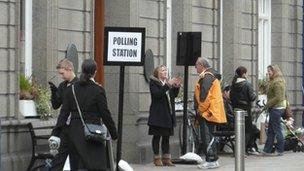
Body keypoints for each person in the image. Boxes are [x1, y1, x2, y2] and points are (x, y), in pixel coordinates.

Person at [59, 59, 118, 170]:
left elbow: (63, 114)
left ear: (82, 70)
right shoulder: (98, 90)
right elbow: (105, 114)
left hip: (75, 133)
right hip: (94, 133)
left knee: (76, 167)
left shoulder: (71, 89)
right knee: (96, 166)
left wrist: (56, 133)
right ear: (95, 72)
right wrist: (114, 133)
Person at [194, 57, 226, 169]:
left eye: (196, 65)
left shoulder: (207, 77)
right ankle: (213, 159)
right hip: (211, 111)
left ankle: (211, 160)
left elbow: (204, 97)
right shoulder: (211, 76)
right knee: (210, 136)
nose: (195, 67)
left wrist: (200, 110)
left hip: (207, 112)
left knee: (206, 136)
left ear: (201, 65)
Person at [47, 59, 78, 170]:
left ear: (69, 69)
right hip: (65, 127)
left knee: (75, 159)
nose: (61, 76)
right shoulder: (63, 86)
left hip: (76, 127)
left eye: (62, 73)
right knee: (60, 158)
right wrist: (54, 91)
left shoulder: (78, 85)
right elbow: (56, 105)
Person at [147, 65, 181, 166]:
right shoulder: (154, 83)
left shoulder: (167, 83)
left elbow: (173, 96)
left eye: (166, 70)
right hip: (158, 114)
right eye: (162, 70)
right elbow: (157, 95)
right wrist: (168, 85)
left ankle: (166, 158)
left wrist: (176, 87)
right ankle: (157, 157)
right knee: (157, 136)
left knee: (166, 136)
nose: (165, 72)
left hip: (167, 114)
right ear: (157, 73)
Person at [230, 66, 257, 155]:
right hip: (245, 110)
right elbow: (252, 97)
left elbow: (231, 97)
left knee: (239, 130)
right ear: (244, 74)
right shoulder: (247, 84)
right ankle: (242, 150)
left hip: (236, 110)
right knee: (248, 130)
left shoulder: (233, 84)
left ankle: (238, 150)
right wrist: (255, 94)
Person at [262, 65, 287, 156]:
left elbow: (279, 97)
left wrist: (268, 105)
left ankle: (280, 150)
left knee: (277, 130)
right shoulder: (274, 80)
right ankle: (267, 150)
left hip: (277, 108)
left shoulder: (278, 82)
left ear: (275, 71)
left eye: (269, 71)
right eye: (268, 71)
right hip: (274, 108)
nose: (268, 73)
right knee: (271, 130)